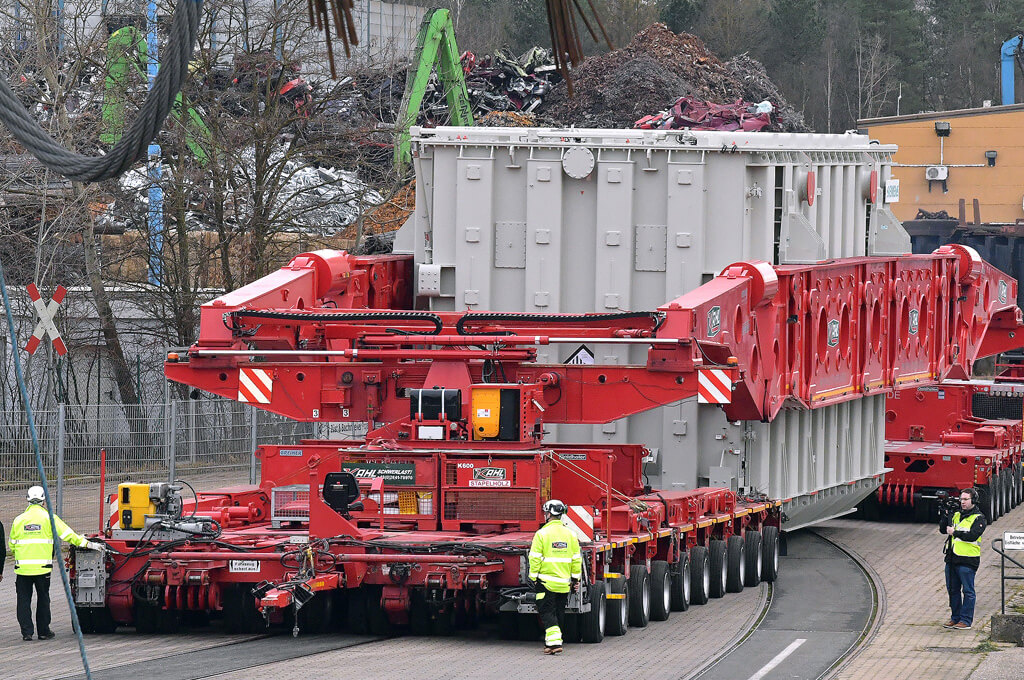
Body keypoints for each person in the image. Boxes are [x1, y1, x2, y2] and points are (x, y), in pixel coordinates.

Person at [8, 485, 105, 641]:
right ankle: (43, 632)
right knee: (43, 598)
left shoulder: (18, 520)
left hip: (22, 569)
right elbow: (68, 535)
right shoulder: (49, 518)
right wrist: (89, 544)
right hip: (42, 569)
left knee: (23, 600)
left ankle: (26, 633)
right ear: (43, 501)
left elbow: (12, 545)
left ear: (27, 500)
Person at [528, 499, 582, 655]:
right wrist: (575, 580)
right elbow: (576, 559)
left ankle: (554, 644)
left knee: (546, 612)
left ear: (549, 514)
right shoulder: (571, 534)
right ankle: (554, 642)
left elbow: (535, 558)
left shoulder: (542, 534)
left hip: (545, 583)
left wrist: (532, 577)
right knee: (559, 613)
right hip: (564, 584)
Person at [940, 487, 987, 630]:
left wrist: (956, 532)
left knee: (968, 591)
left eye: (966, 499)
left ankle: (966, 620)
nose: (963, 502)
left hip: (968, 560)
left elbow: (972, 535)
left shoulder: (979, 518)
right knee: (952, 590)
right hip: (952, 558)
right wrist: (945, 515)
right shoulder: (956, 515)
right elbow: (943, 529)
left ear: (974, 500)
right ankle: (955, 618)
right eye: (961, 499)